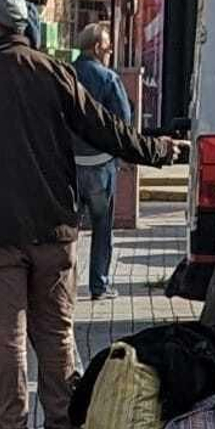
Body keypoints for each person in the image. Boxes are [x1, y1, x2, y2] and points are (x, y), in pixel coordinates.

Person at [0, 0, 184, 429]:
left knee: (4, 333)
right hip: (54, 229)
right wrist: (160, 151)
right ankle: (59, 425)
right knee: (55, 330)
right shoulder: (55, 73)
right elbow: (107, 129)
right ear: (21, 28)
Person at [71, 23, 132, 300]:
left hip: (68, 165)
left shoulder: (65, 75)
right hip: (101, 164)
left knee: (67, 230)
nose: (109, 54)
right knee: (101, 227)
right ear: (97, 48)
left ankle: (64, 286)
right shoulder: (108, 79)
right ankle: (99, 284)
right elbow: (123, 122)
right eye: (108, 49)